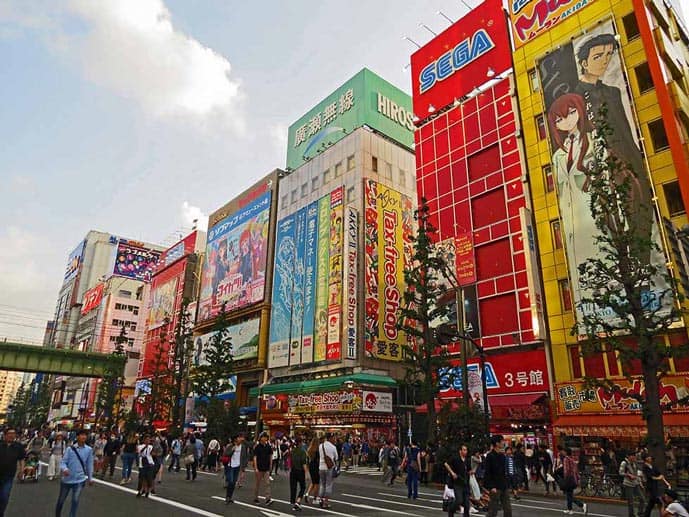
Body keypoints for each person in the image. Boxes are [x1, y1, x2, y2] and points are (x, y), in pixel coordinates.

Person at [56, 429, 93, 517]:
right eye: (81, 435)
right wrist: (64, 469)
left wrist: (90, 478)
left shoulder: (89, 450)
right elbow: (63, 462)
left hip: (79, 479)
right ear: (77, 437)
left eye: (85, 435)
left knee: (75, 500)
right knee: (61, 500)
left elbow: (89, 464)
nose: (84, 437)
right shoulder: (70, 449)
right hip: (67, 480)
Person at [484, 435, 512, 517]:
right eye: (502, 441)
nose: (504, 442)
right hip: (495, 486)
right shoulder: (490, 456)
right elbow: (487, 472)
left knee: (508, 509)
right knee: (493, 511)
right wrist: (491, 486)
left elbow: (504, 472)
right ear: (497, 443)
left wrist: (507, 483)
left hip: (503, 485)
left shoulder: (502, 456)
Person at [0, 427, 25, 517]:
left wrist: (21, 471)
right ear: (5, 435)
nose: (11, 435)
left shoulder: (18, 446)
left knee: (4, 496)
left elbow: (21, 459)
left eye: (13, 433)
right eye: (9, 433)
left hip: (9, 476)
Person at [444, 444, 470, 517]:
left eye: (466, 450)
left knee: (467, 504)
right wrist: (452, 473)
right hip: (457, 483)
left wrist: (471, 471)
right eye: (464, 450)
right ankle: (451, 510)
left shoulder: (467, 460)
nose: (465, 451)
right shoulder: (455, 458)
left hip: (465, 483)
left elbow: (468, 470)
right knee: (459, 500)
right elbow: (446, 464)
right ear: (460, 451)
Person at [562, 447, 587, 515]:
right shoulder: (572, 459)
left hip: (569, 479)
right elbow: (575, 470)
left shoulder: (566, 459)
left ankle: (581, 505)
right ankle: (569, 509)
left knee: (569, 495)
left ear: (566, 452)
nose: (562, 452)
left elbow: (567, 470)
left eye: (563, 451)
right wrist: (577, 478)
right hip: (573, 479)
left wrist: (565, 478)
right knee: (569, 495)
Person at [620, 450, 645, 517]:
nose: (634, 457)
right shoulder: (624, 463)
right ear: (628, 456)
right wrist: (628, 475)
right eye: (632, 456)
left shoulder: (634, 463)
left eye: (634, 456)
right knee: (631, 501)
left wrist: (640, 483)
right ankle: (632, 515)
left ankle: (640, 512)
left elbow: (636, 474)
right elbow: (621, 472)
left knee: (642, 498)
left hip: (636, 483)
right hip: (628, 484)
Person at [318, 433, 338, 510]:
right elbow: (336, 458)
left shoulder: (321, 446)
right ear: (330, 438)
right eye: (333, 438)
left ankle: (321, 500)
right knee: (328, 485)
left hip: (321, 467)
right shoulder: (333, 447)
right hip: (329, 468)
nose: (334, 439)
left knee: (322, 484)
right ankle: (326, 502)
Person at [253, 432, 273, 505]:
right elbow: (255, 457)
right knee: (257, 483)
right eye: (263, 437)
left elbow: (270, 455)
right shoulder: (257, 447)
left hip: (266, 468)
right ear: (260, 438)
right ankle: (256, 498)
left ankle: (268, 499)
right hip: (259, 467)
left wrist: (271, 465)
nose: (265, 438)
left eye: (266, 437)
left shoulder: (268, 446)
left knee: (267, 483)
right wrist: (256, 468)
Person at [289, 437, 309, 511]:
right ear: (300, 443)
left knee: (293, 487)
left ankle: (293, 502)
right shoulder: (302, 451)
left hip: (293, 471)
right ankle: (298, 501)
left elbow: (290, 461)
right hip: (300, 471)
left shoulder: (292, 451)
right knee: (303, 487)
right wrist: (306, 473)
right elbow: (304, 463)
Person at [224, 435, 242, 504]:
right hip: (230, 466)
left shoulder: (242, 446)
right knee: (231, 482)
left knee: (234, 482)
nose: (240, 439)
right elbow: (226, 454)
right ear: (235, 440)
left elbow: (243, 455)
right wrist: (232, 450)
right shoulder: (230, 446)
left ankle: (230, 497)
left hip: (237, 466)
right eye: (239, 438)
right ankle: (227, 497)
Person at [305, 437, 320, 505]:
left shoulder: (309, 449)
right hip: (316, 466)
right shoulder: (317, 450)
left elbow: (307, 460)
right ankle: (315, 498)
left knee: (313, 482)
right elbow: (319, 460)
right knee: (316, 483)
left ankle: (307, 494)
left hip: (311, 466)